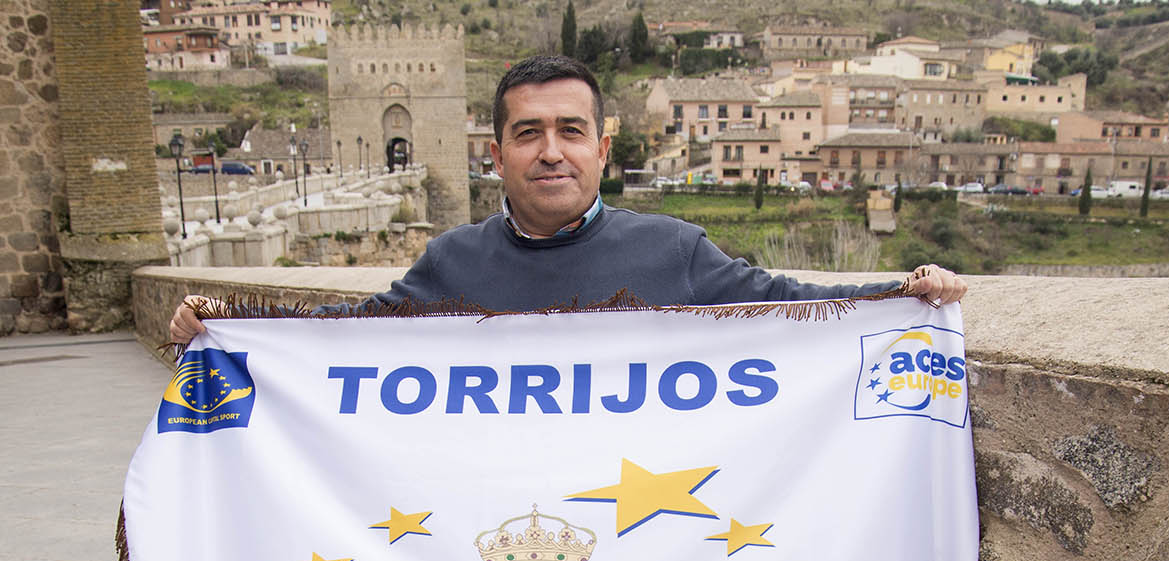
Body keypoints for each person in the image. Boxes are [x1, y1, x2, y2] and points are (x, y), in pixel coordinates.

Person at [170, 55, 965, 342]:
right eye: (528, 133)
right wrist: (227, 324)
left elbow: (793, 307)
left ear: (602, 149)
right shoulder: (453, 261)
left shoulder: (675, 251)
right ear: (497, 155)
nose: (551, 151)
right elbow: (348, 339)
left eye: (570, 130)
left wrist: (903, 293)